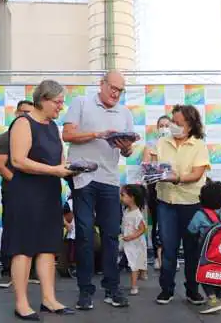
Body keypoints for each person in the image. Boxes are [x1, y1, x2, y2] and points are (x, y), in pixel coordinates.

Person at [62, 70, 136, 310]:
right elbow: (67, 134)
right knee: (83, 233)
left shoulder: (125, 113)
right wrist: (98, 134)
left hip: (110, 179)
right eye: (113, 87)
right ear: (101, 84)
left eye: (120, 90)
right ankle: (85, 291)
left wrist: (125, 148)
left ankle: (112, 289)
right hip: (83, 177)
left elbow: (128, 152)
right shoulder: (81, 103)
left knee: (111, 235)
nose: (116, 93)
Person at [6, 80, 76, 320]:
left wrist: (69, 169)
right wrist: (54, 171)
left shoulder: (53, 126)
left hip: (48, 193)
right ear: (44, 99)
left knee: (48, 247)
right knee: (24, 249)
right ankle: (21, 303)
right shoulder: (23, 123)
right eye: (57, 102)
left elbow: (58, 161)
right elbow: (17, 161)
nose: (60, 107)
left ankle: (49, 299)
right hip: (25, 193)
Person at [153, 104, 210, 305]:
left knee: (192, 249)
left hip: (191, 203)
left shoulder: (199, 145)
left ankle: (192, 290)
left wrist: (177, 178)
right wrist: (150, 170)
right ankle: (166, 289)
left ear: (190, 125)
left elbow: (197, 174)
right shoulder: (161, 142)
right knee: (168, 248)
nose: (174, 126)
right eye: (173, 122)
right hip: (166, 202)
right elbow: (150, 163)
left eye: (178, 123)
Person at [0, 100, 37, 289]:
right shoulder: (5, 138)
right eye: (23, 112)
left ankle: (32, 272)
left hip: (36, 193)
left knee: (35, 230)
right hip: (13, 191)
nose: (26, 116)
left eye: (30, 113)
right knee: (11, 229)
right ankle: (6, 272)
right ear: (16, 113)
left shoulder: (37, 138)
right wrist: (20, 184)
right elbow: (1, 166)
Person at [187, 180, 221, 314]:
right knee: (219, 276)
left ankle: (212, 299)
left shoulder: (200, 214)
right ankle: (219, 298)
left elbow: (191, 230)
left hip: (206, 253)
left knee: (204, 275)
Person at [143, 115, 172, 270]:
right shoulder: (150, 145)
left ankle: (170, 256)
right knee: (157, 222)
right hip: (154, 188)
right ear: (157, 127)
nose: (164, 128)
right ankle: (157, 256)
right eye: (161, 125)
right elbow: (147, 167)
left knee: (171, 223)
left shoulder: (175, 144)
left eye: (167, 125)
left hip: (173, 188)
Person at [120, 184, 148, 296]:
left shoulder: (137, 214)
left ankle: (134, 285)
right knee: (133, 262)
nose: (121, 198)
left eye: (123, 195)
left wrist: (132, 236)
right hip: (127, 241)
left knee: (133, 264)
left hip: (134, 243)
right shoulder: (126, 211)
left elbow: (142, 229)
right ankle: (142, 273)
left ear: (132, 197)